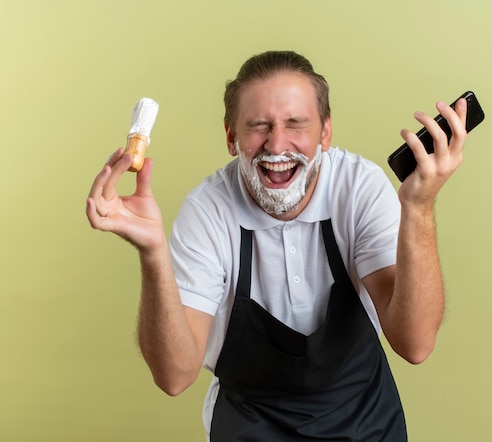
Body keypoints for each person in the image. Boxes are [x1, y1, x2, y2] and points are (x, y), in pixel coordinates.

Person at [87, 50, 469, 441]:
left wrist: (419, 208)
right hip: (250, 425)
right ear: (231, 136)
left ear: (325, 132)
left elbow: (415, 344)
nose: (276, 145)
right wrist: (152, 253)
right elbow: (174, 376)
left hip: (365, 421)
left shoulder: (359, 189)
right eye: (258, 126)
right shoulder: (208, 211)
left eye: (296, 124)